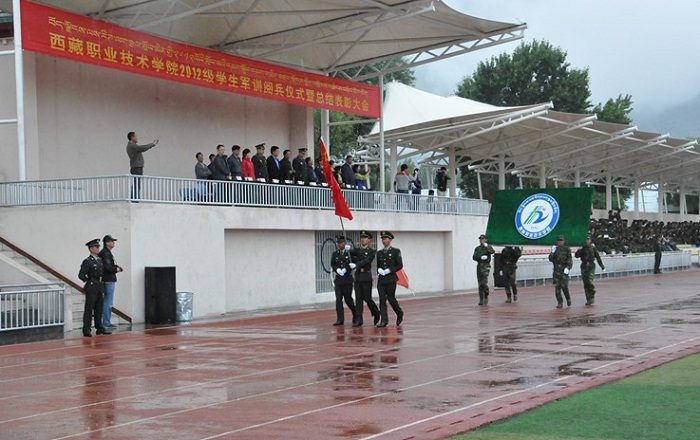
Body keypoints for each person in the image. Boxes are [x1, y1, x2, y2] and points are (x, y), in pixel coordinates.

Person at [78, 239, 111, 337]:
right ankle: (86, 329)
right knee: (89, 308)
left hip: (99, 285)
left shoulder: (99, 260)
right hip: (92, 286)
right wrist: (89, 281)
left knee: (99, 308)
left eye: (98, 247)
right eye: (96, 247)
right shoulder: (88, 261)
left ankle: (99, 328)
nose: (98, 249)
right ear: (91, 249)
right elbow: (81, 275)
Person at [350, 230, 380, 327]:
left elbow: (367, 261)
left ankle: (376, 312)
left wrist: (356, 265)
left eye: (365, 238)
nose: (362, 239)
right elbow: (351, 254)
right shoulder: (357, 250)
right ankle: (359, 319)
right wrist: (348, 250)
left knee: (367, 298)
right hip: (358, 276)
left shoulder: (372, 251)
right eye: (361, 238)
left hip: (366, 277)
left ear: (369, 240)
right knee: (358, 299)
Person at [376, 231, 404, 327]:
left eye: (386, 239)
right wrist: (379, 270)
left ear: (390, 240)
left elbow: (399, 265)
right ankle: (384, 320)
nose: (384, 241)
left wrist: (389, 270)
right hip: (381, 280)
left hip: (391, 279)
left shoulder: (395, 251)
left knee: (391, 299)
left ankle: (399, 312)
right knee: (382, 299)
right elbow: (378, 265)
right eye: (383, 239)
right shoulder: (379, 253)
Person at [330, 235, 357, 325]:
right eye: (338, 243)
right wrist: (337, 269)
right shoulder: (335, 253)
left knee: (348, 299)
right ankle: (340, 319)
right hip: (338, 279)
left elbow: (354, 263)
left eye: (341, 243)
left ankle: (355, 313)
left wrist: (346, 269)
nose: (339, 244)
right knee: (338, 299)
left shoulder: (349, 253)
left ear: (345, 243)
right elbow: (333, 264)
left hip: (347, 279)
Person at [99, 234, 123, 328]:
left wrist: (116, 267)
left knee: (108, 301)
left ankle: (106, 321)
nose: (113, 243)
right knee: (108, 302)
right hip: (108, 279)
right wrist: (116, 269)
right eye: (112, 241)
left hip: (108, 279)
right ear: (107, 243)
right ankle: (106, 322)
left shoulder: (107, 253)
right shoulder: (106, 253)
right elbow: (108, 267)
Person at [126, 131, 158, 199]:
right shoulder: (132, 146)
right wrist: (152, 144)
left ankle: (134, 198)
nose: (137, 138)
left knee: (136, 183)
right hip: (136, 167)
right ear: (132, 137)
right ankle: (134, 199)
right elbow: (142, 148)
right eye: (136, 136)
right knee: (137, 184)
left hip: (135, 167)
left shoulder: (131, 146)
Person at [575, 236, 605, 305]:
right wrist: (579, 250)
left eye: (588, 239)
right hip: (584, 266)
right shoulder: (583, 248)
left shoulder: (593, 248)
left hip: (591, 266)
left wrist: (602, 266)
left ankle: (592, 293)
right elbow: (577, 256)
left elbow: (598, 257)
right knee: (586, 283)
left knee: (589, 281)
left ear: (590, 240)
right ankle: (588, 299)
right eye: (586, 240)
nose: (587, 241)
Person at [549, 235, 573, 308]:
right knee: (557, 288)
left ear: (564, 241)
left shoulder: (567, 249)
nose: (560, 242)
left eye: (561, 240)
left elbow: (570, 260)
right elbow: (550, 259)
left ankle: (568, 299)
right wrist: (552, 252)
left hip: (563, 271)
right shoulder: (555, 249)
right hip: (556, 271)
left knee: (564, 287)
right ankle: (560, 302)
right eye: (559, 241)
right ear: (557, 242)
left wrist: (568, 268)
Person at [472, 234, 495, 305]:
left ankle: (486, 295)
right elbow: (474, 257)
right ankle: (481, 299)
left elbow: (492, 251)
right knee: (480, 284)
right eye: (480, 239)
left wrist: (487, 246)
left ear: (485, 240)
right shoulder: (477, 248)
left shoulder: (488, 247)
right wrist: (480, 257)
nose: (481, 240)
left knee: (484, 283)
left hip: (486, 266)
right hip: (479, 266)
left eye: (482, 239)